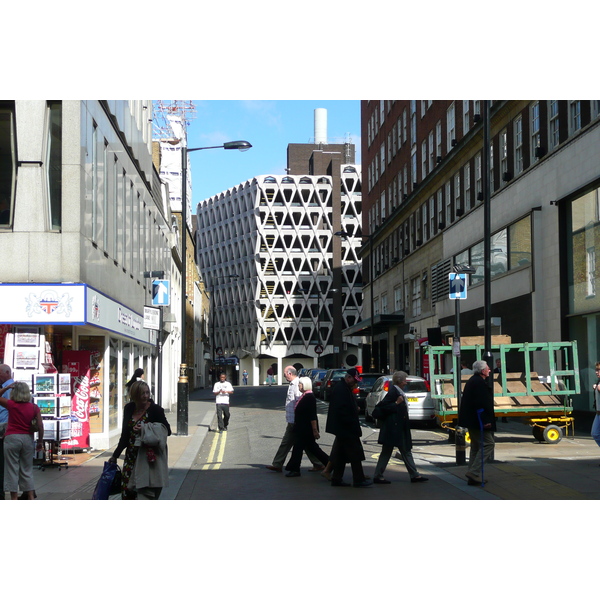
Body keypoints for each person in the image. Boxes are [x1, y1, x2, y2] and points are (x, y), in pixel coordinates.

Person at [109, 380, 171, 499]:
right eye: (142, 393)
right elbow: (125, 436)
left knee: (145, 493)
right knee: (127, 492)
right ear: (135, 395)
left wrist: (144, 428)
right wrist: (115, 456)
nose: (146, 396)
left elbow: (167, 431)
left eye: (147, 393)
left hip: (147, 458)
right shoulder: (129, 408)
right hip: (131, 457)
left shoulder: (155, 410)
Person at [372, 371, 429, 484]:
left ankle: (414, 475)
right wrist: (396, 404)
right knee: (389, 452)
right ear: (399, 381)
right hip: (393, 429)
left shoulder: (399, 391)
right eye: (404, 380)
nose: (406, 382)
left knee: (405, 451)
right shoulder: (393, 392)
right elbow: (381, 408)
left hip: (398, 428)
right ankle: (378, 475)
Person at [266, 366, 323, 473]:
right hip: (293, 420)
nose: (284, 376)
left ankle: (280, 464)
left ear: (289, 373)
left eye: (284, 374)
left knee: (291, 443)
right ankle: (318, 463)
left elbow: (300, 403)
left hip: (296, 422)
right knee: (303, 444)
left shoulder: (298, 385)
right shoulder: (293, 384)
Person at [325, 368, 372, 487]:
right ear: (348, 377)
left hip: (343, 428)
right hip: (346, 427)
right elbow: (342, 410)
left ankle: (337, 479)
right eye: (354, 380)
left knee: (340, 455)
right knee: (355, 454)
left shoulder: (343, 388)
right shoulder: (342, 390)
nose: (355, 383)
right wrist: (352, 416)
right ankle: (359, 479)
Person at [0, 381, 43, 500]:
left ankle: (14, 498)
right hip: (27, 439)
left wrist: (7, 387)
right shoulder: (34, 407)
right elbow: (40, 426)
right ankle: (30, 496)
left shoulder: (11, 404)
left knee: (11, 468)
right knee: (27, 469)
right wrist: (40, 442)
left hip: (12, 438)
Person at [458, 359, 495, 485]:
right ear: (483, 370)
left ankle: (472, 476)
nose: (490, 370)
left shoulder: (474, 381)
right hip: (478, 420)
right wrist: (486, 420)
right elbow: (480, 403)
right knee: (488, 444)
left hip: (471, 420)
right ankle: (474, 472)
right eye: (488, 368)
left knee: (475, 447)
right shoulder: (479, 383)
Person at [285, 377, 329, 477]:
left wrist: (314, 430)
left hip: (306, 429)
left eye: (300, 384)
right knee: (309, 448)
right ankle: (329, 463)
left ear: (305, 385)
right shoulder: (304, 396)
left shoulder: (309, 397)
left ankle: (295, 469)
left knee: (301, 448)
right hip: (302, 428)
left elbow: (312, 415)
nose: (298, 386)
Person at [0, 364, 15, 499]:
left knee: (6, 464)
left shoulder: (10, 389)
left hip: (5, 429)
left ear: (6, 373)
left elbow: (11, 409)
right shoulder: (8, 388)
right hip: (6, 428)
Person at [591, 362, 600, 461]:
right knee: (595, 433)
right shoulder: (598, 382)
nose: (597, 372)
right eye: (596, 370)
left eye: (599, 370)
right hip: (598, 413)